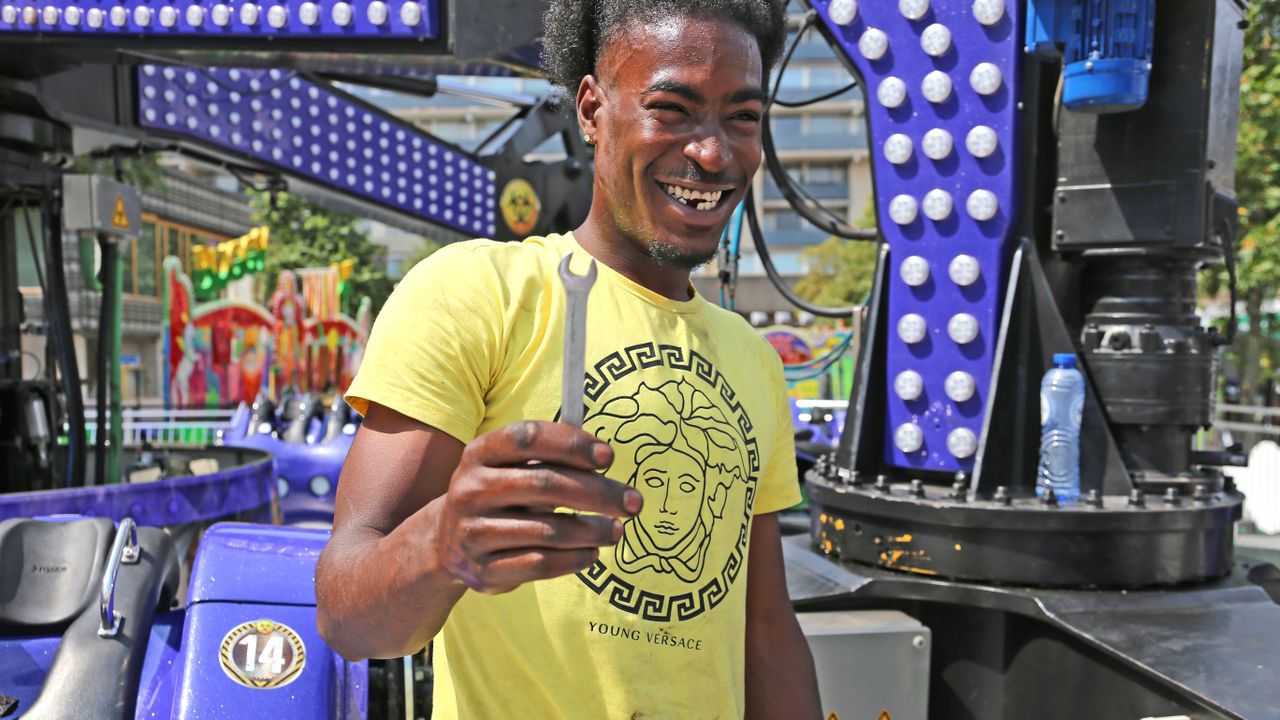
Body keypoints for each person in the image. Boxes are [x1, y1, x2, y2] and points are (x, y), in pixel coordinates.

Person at [316, 0, 823, 716]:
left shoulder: (754, 361)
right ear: (592, 109)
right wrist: (442, 544)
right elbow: (348, 617)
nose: (713, 153)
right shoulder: (478, 294)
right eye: (673, 109)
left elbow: (766, 631)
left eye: (742, 117)